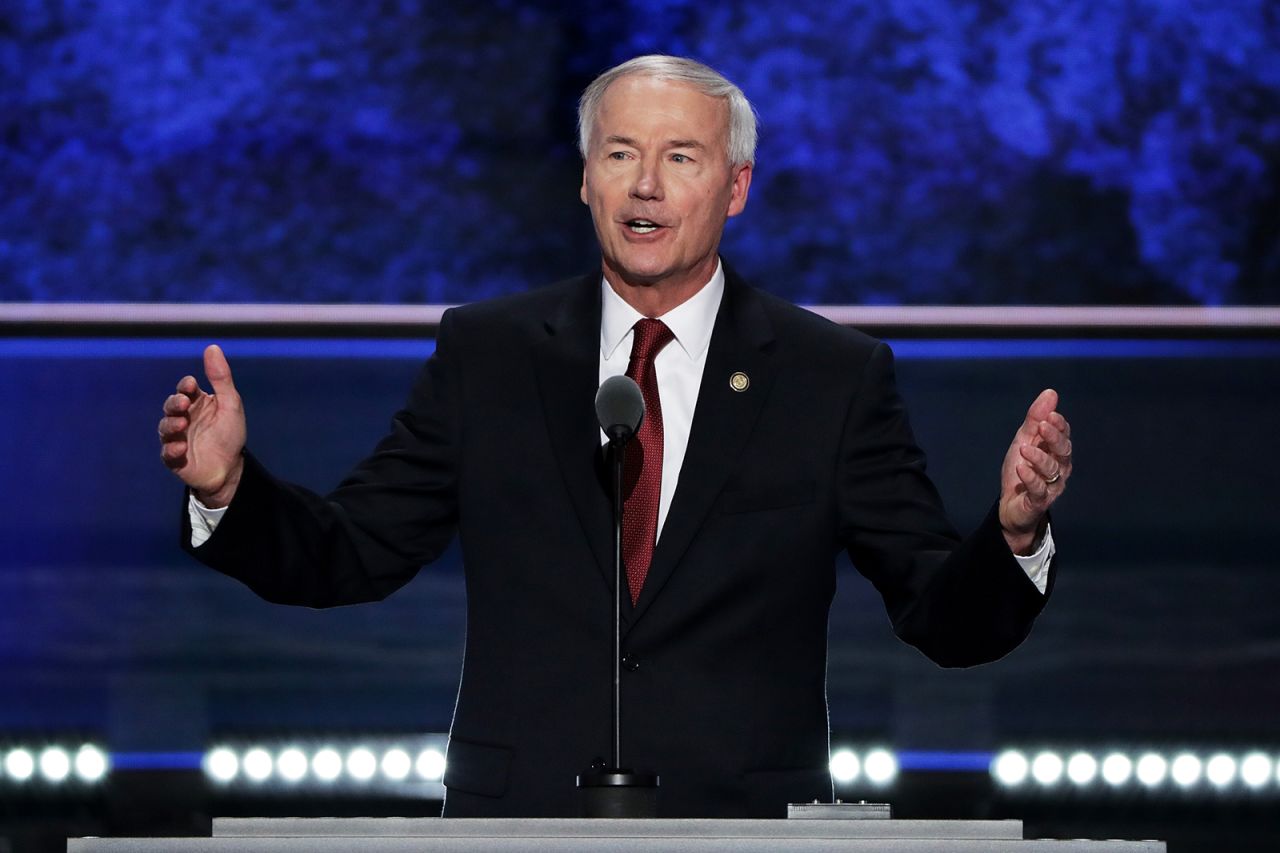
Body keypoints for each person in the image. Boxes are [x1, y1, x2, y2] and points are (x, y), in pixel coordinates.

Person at [158, 55, 1072, 818]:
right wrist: (228, 488)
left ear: (737, 186)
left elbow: (940, 615)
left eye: (681, 157)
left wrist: (1015, 534)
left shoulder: (829, 375)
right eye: (621, 153)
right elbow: (350, 553)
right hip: (521, 822)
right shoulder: (490, 355)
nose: (645, 184)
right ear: (586, 178)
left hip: (742, 826)